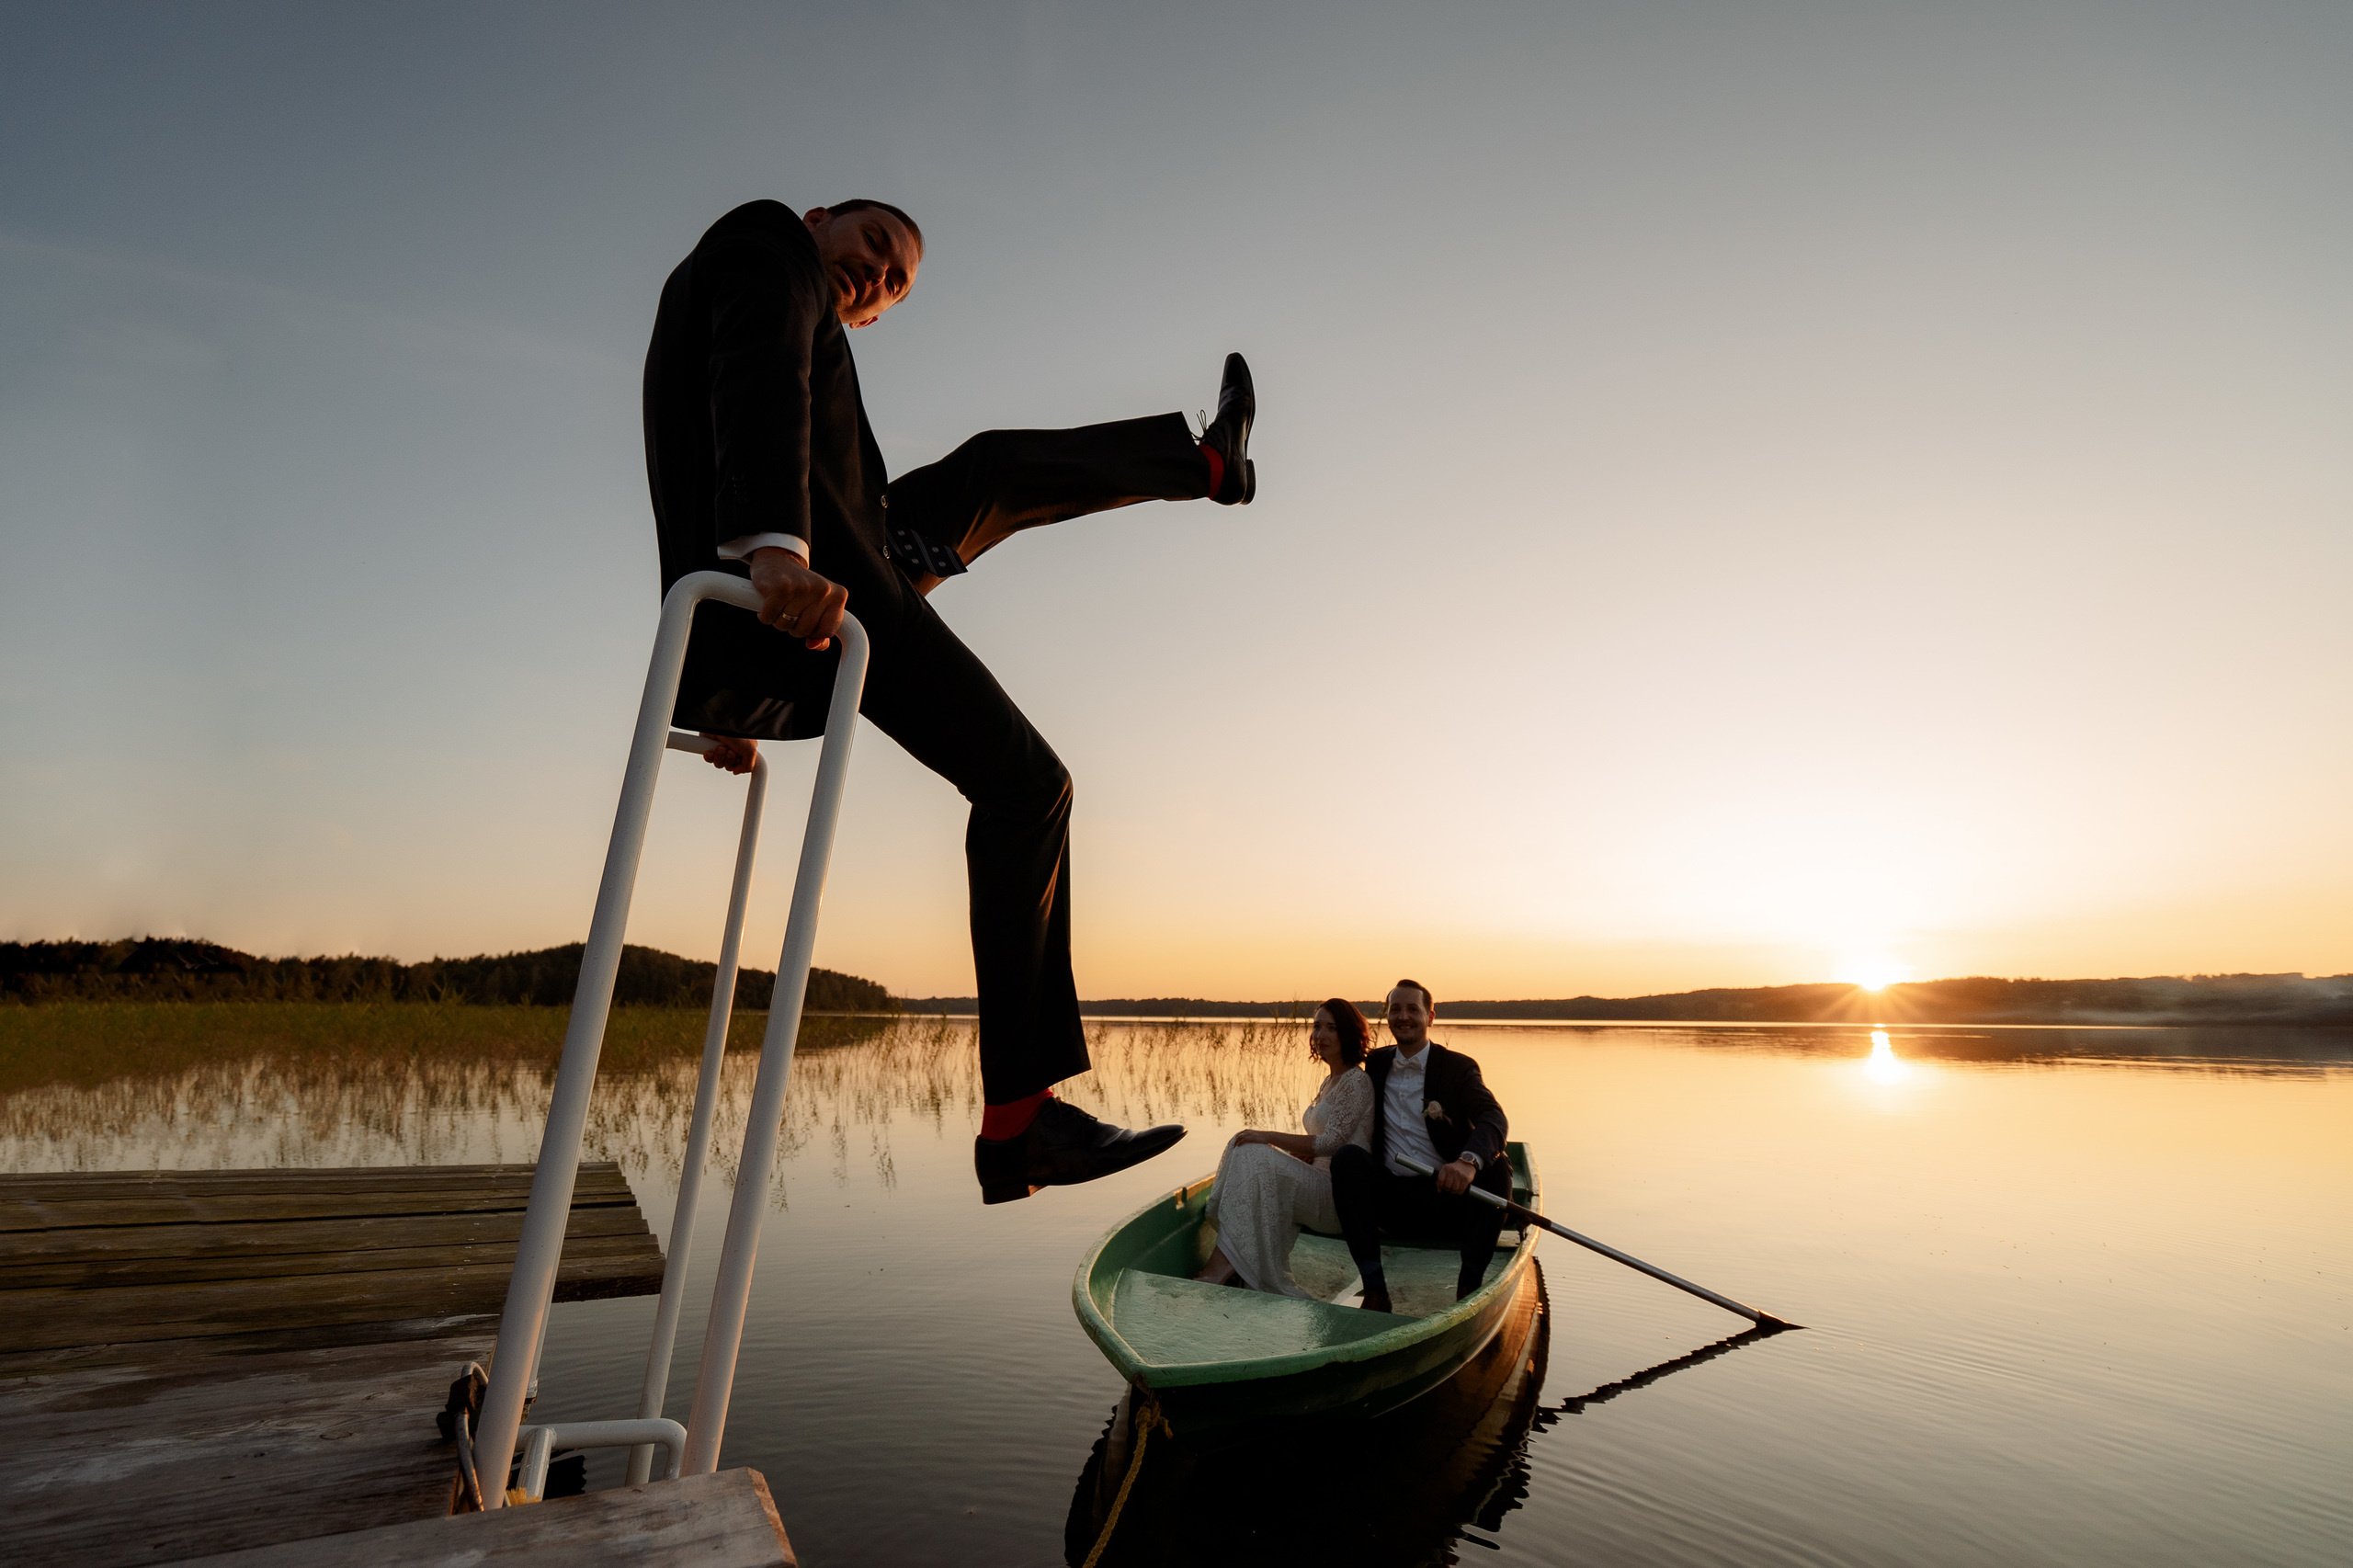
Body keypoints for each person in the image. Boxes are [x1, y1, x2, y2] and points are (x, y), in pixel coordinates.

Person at [642, 197, 1257, 1203]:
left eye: (897, 282)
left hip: (836, 560)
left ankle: (1207, 463)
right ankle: (1019, 1123)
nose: (880, 273)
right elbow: (756, 376)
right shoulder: (768, 246)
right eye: (875, 245)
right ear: (818, 220)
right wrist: (773, 552)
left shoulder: (819, 326)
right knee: (1030, 786)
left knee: (990, 469)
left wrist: (732, 703)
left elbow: (758, 405)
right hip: (805, 589)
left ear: (880, 318)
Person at [1329, 980, 1512, 1311]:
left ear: (1430, 1017)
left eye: (1413, 1009)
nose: (1404, 1016)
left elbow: (1493, 1119)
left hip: (1449, 1200)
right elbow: (1345, 1108)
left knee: (1497, 1168)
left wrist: (1467, 1162)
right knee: (1346, 1160)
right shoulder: (1377, 1064)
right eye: (1395, 1009)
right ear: (1387, 1017)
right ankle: (1375, 1291)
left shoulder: (1457, 1067)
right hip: (1392, 1199)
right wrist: (1312, 1147)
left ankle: (1469, 1285)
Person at [1194, 1000, 1377, 1296]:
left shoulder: (1356, 1081)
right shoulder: (1330, 1080)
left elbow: (1332, 1143)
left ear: (1349, 1033)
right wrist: (1300, 1154)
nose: (1322, 1034)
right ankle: (1229, 1265)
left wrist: (1269, 1136)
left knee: (1254, 1151)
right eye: (1317, 1026)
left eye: (1332, 1027)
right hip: (1317, 1182)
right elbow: (1322, 1143)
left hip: (1340, 1200)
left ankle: (1219, 1269)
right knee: (1245, 1147)